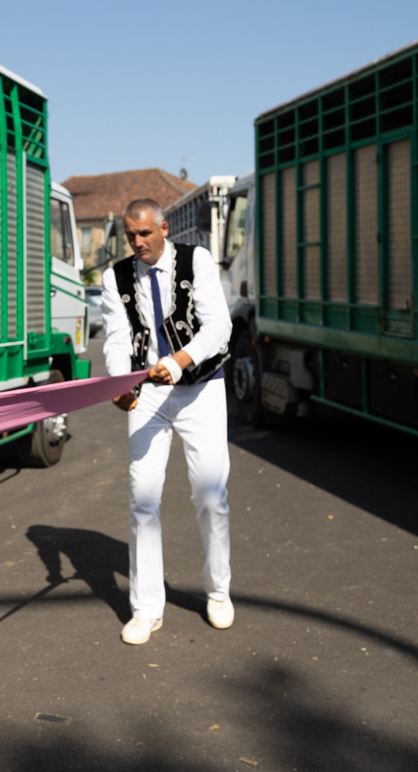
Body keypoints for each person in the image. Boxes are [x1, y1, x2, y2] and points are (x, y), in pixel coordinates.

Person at [100, 197, 234, 645]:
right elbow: (117, 338)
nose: (137, 242)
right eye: (130, 235)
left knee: (210, 496)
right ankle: (145, 609)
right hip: (149, 395)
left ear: (163, 228)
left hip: (200, 388)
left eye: (144, 233)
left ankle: (218, 592)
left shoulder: (197, 261)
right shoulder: (115, 277)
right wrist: (119, 382)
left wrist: (178, 362)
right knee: (142, 499)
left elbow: (218, 328)